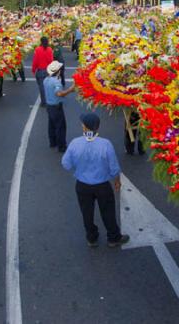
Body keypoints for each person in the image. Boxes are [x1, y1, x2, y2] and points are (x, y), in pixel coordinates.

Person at [61, 112, 130, 248]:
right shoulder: (105, 144)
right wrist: (117, 181)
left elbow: (66, 164)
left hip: (82, 185)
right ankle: (113, 238)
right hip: (102, 186)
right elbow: (114, 168)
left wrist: (79, 166)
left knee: (87, 212)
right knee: (108, 211)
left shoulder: (75, 143)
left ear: (85, 128)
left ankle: (91, 238)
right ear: (97, 128)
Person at [45, 60, 75, 152]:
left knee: (51, 125)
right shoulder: (56, 82)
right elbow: (59, 94)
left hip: (49, 106)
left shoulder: (46, 80)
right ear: (58, 71)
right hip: (56, 107)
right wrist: (70, 90)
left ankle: (52, 142)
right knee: (60, 127)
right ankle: (61, 146)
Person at [32, 37, 53, 106]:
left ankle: (43, 102)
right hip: (48, 70)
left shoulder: (38, 49)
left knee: (41, 87)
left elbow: (35, 61)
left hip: (40, 70)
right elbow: (51, 60)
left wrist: (33, 69)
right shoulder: (49, 49)